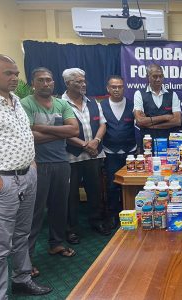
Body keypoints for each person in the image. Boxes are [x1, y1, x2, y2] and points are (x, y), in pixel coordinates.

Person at [0, 55, 52, 297]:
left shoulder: (17, 101)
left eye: (16, 73)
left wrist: (31, 164)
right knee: (1, 244)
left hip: (27, 175)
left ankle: (21, 278)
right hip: (5, 180)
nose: (14, 78)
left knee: (23, 233)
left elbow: (25, 135)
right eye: (8, 73)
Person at [22, 68, 79, 277]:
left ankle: (56, 243)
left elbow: (74, 130)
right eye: (41, 80)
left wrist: (40, 128)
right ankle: (26, 259)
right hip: (37, 164)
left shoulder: (61, 104)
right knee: (35, 213)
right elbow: (28, 136)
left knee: (59, 207)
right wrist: (58, 133)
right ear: (33, 83)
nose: (46, 83)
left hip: (61, 163)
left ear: (54, 83)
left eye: (49, 80)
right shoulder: (25, 103)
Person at [62, 68, 110, 245]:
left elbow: (103, 124)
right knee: (71, 195)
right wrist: (84, 145)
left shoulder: (93, 102)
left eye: (84, 81)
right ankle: (71, 230)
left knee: (95, 191)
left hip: (94, 154)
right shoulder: (60, 104)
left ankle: (96, 221)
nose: (83, 84)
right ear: (67, 83)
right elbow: (62, 132)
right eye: (78, 82)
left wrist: (96, 141)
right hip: (71, 157)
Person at [100, 75, 137, 229]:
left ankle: (133, 213)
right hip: (111, 153)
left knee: (132, 185)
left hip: (131, 152)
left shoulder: (133, 105)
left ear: (124, 88)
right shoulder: (101, 105)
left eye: (120, 86)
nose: (116, 89)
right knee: (112, 186)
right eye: (113, 86)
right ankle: (114, 216)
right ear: (108, 88)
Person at [133, 64, 182, 148]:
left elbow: (177, 121)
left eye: (161, 76)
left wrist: (151, 124)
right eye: (155, 76)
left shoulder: (172, 94)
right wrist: (165, 117)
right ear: (147, 77)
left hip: (169, 144)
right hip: (148, 143)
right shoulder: (139, 94)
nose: (158, 79)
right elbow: (140, 121)